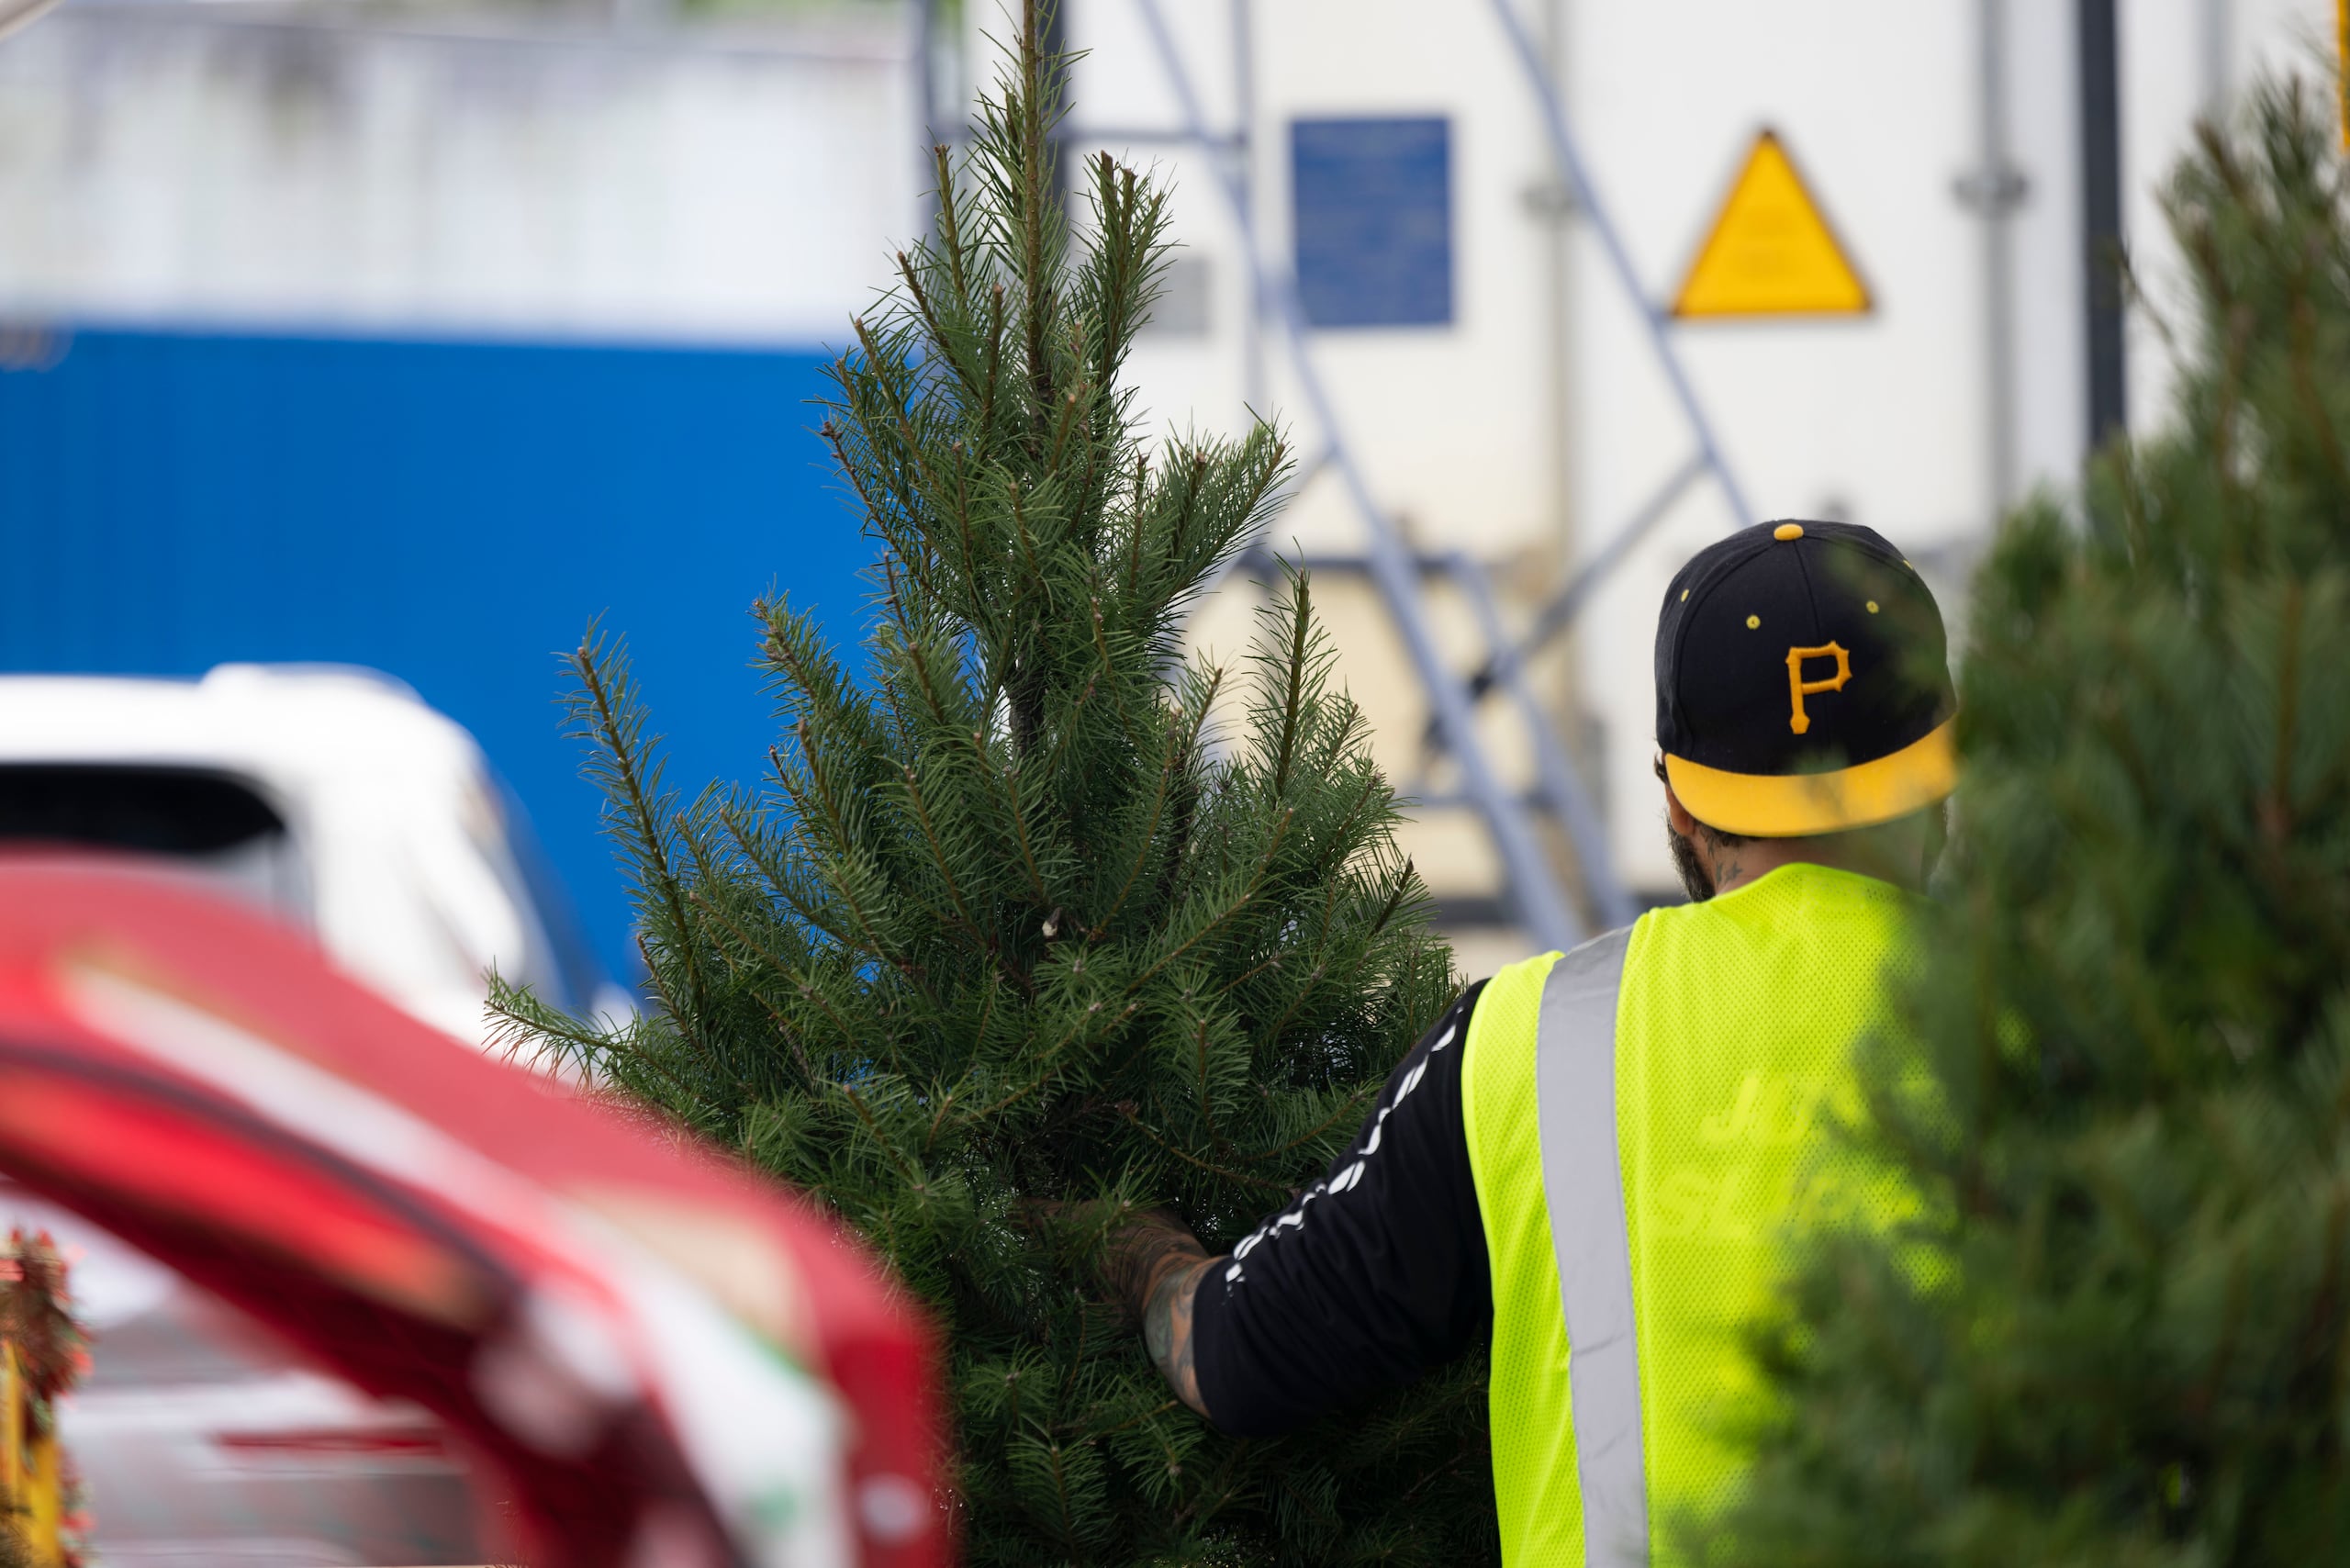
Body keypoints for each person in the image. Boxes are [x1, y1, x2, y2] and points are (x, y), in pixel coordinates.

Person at [1098, 519, 1958, 1567]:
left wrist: (1136, 1254)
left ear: (1678, 798)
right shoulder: (2084, 1036)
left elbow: (1239, 1357)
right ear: (1937, 777)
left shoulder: (1533, 1039)